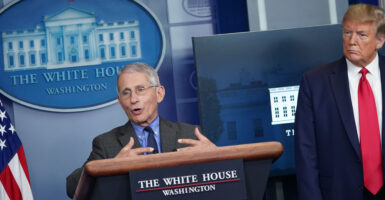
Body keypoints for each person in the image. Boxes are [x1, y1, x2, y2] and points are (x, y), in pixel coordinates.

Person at [66, 62, 216, 198]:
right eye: (126, 93)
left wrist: (216, 156)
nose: (133, 99)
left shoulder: (191, 134)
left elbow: (224, 180)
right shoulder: (106, 144)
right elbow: (72, 188)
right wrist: (112, 165)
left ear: (159, 93)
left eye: (140, 89)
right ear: (120, 101)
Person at [295, 3, 385, 200]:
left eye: (361, 35)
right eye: (347, 33)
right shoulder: (315, 83)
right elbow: (306, 153)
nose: (352, 41)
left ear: (380, 40)